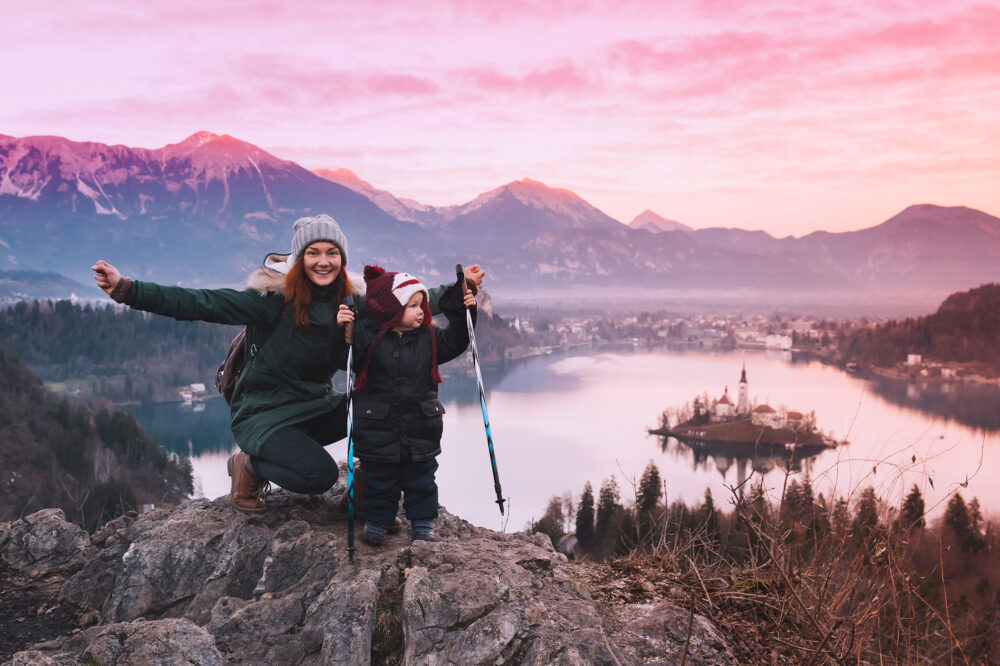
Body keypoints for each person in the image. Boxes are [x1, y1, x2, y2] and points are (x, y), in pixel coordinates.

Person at [91, 214, 484, 514]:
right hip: (264, 413)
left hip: (314, 404)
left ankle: (371, 487)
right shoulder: (270, 300)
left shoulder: (350, 300)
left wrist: (458, 287)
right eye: (313, 253)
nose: (324, 261)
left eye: (332, 253)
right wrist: (127, 289)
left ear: (342, 258)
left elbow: (405, 301)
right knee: (318, 476)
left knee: (377, 405)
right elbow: (199, 302)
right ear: (299, 259)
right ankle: (251, 465)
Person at [337, 265, 475, 545]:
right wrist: (341, 330)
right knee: (379, 478)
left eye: (421, 304)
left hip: (420, 426)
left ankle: (422, 523)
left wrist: (464, 314)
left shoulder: (430, 340)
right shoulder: (369, 339)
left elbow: (458, 340)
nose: (422, 310)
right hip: (378, 427)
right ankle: (378, 520)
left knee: (422, 478)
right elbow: (344, 357)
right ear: (390, 310)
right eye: (412, 305)